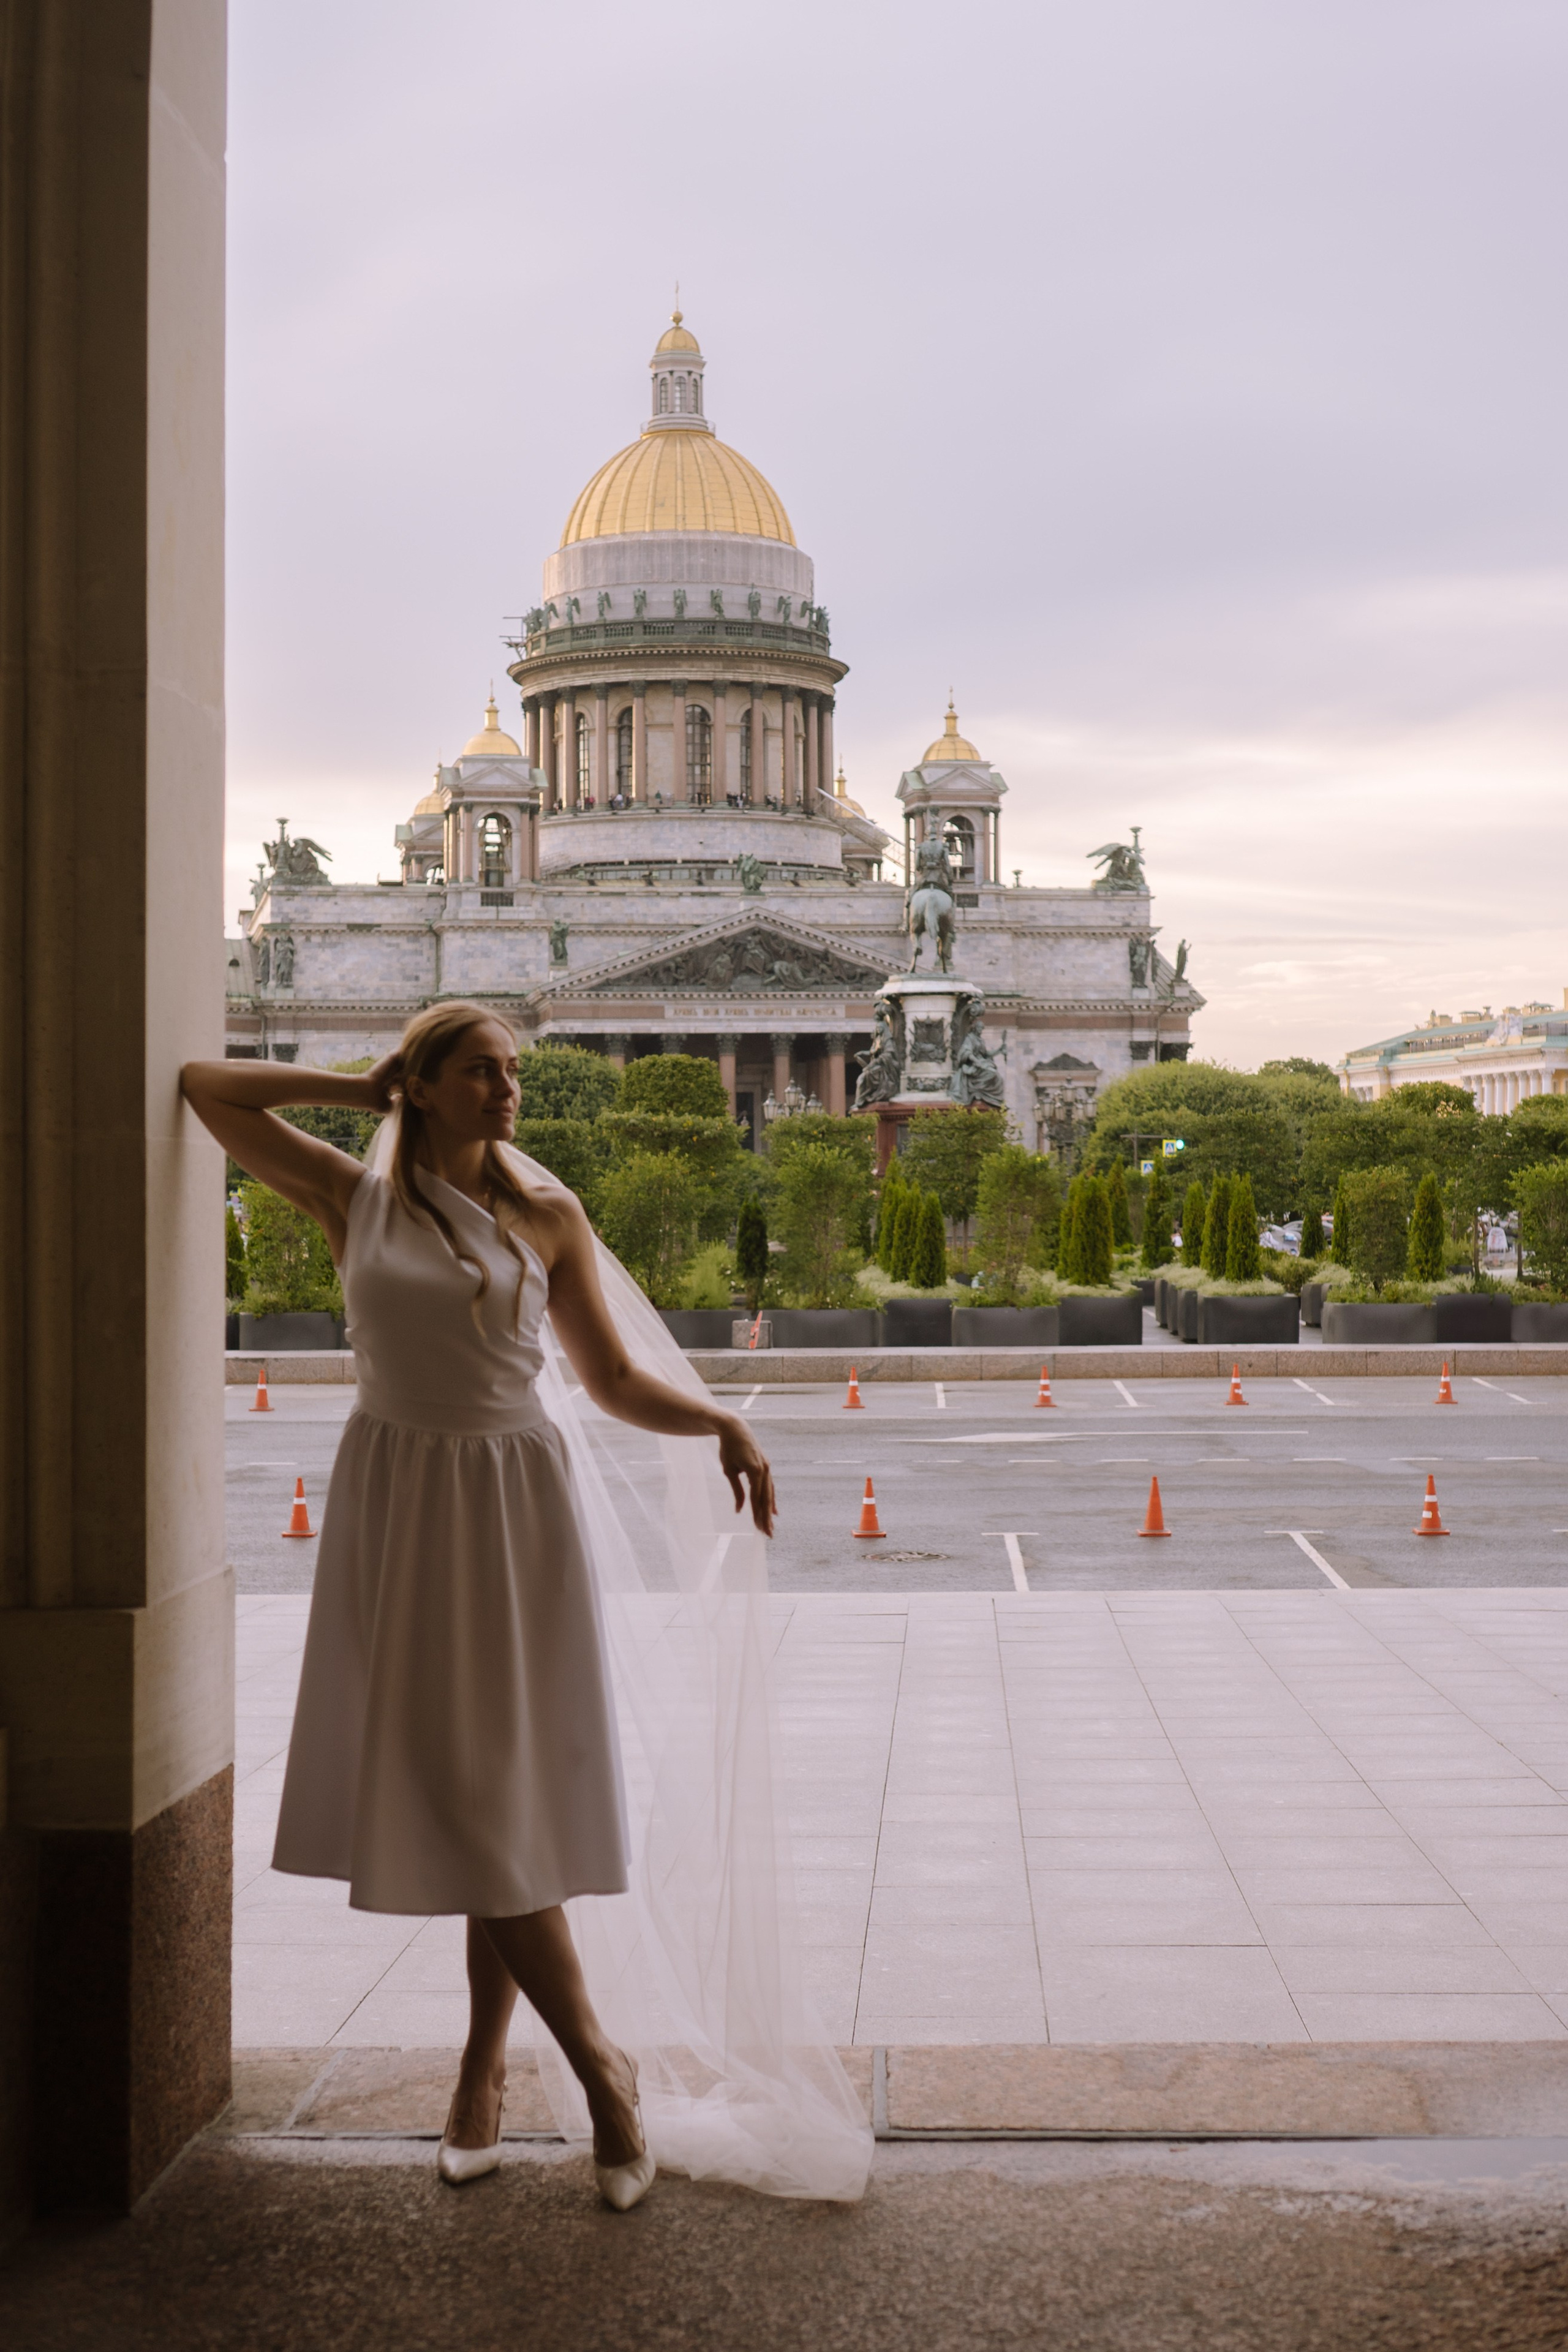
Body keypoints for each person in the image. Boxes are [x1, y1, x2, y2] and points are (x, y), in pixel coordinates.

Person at [183, 1006, 869, 2208]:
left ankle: (498, 2072)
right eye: (479, 1071)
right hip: (399, 1499)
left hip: (513, 1505)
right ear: (423, 1085)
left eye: (513, 1072)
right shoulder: (354, 1197)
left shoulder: (549, 1213)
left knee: (490, 1794)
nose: (507, 1090)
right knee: (466, 1794)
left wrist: (718, 1419)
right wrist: (358, 1088)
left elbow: (609, 1379)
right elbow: (205, 1086)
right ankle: (584, 2065)